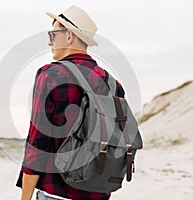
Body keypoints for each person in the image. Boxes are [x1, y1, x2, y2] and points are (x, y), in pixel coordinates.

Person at [16, 5, 125, 200]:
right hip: (99, 193)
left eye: (52, 35)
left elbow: (38, 142)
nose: (50, 43)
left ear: (69, 36)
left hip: (58, 193)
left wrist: (25, 197)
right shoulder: (113, 83)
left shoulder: (51, 74)